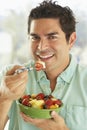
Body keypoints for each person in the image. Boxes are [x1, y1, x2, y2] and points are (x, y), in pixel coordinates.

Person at [0, 0, 87, 130]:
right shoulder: (10, 77)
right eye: (35, 37)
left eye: (52, 37)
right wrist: (4, 98)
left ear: (71, 40)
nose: (41, 47)